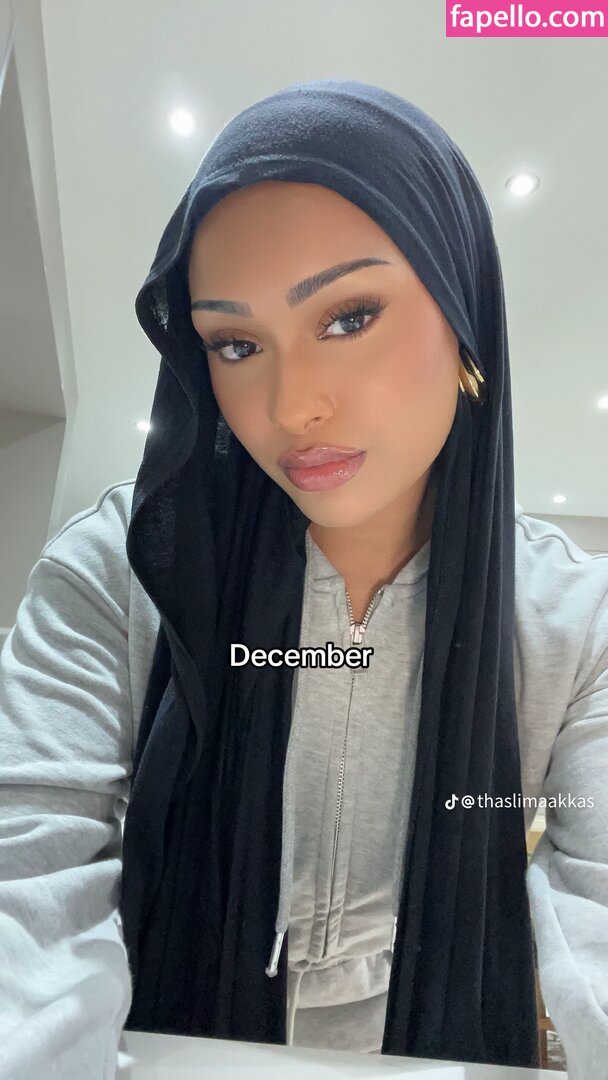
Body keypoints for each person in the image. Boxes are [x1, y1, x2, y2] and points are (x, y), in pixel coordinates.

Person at [0, 79, 607, 1080]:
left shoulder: (574, 623)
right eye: (235, 344)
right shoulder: (122, 570)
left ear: (462, 315)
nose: (290, 406)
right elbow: (23, 883)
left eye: (348, 316)